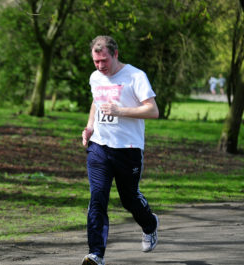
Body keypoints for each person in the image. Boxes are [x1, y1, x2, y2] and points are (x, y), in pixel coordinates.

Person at [81, 36, 160, 265]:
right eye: (96, 61)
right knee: (97, 198)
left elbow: (153, 110)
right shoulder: (95, 77)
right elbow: (96, 102)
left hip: (128, 149)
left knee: (129, 199)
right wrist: (89, 127)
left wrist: (120, 111)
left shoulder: (135, 76)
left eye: (104, 60)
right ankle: (96, 254)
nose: (100, 66)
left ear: (115, 54)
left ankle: (149, 223)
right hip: (99, 147)